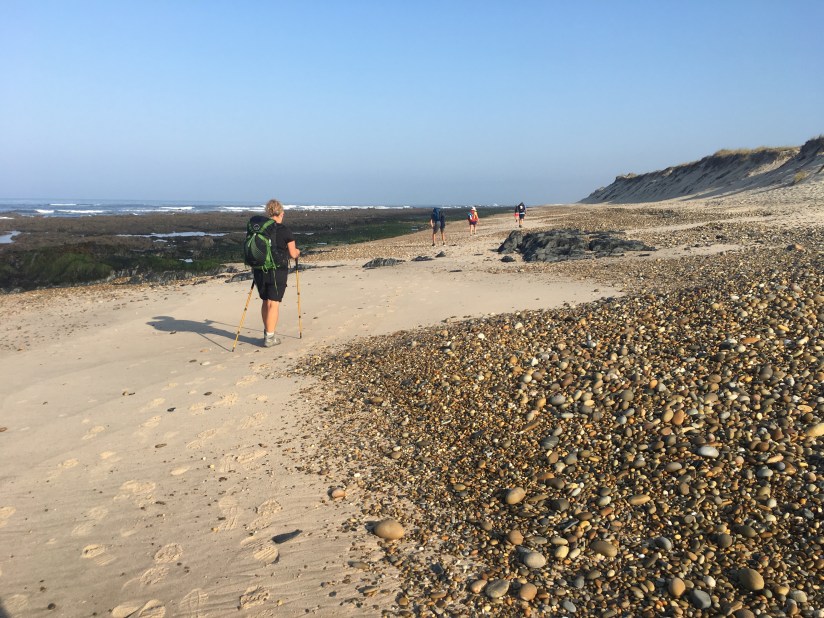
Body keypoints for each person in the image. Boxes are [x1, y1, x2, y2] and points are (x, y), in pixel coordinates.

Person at [252, 199, 300, 347]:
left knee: (265, 301)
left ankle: (267, 332)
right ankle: (270, 337)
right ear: (281, 213)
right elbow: (293, 253)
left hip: (260, 269)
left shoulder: (260, 229)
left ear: (268, 212)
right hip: (277, 270)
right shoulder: (285, 230)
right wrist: (298, 252)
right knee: (274, 303)